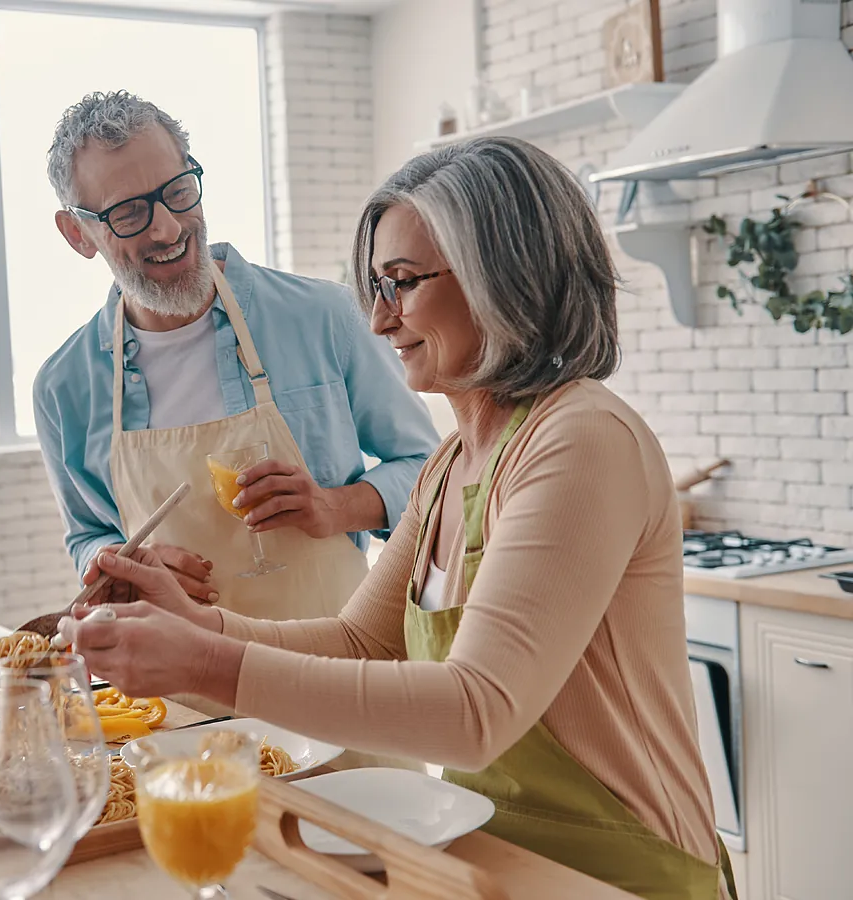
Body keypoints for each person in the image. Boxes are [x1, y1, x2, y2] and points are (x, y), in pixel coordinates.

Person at [65, 136, 738, 900]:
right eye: (377, 287)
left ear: (505, 276)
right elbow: (361, 642)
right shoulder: (453, 464)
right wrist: (195, 626)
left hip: (617, 871)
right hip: (483, 857)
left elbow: (476, 710)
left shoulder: (580, 439)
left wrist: (199, 664)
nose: (382, 321)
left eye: (404, 283)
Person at [35, 90, 440, 625]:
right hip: (175, 696)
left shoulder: (326, 316)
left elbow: (432, 477)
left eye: (178, 192)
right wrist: (123, 565)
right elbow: (89, 536)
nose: (168, 228)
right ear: (77, 234)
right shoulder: (64, 386)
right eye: (129, 212)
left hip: (334, 678)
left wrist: (335, 506)